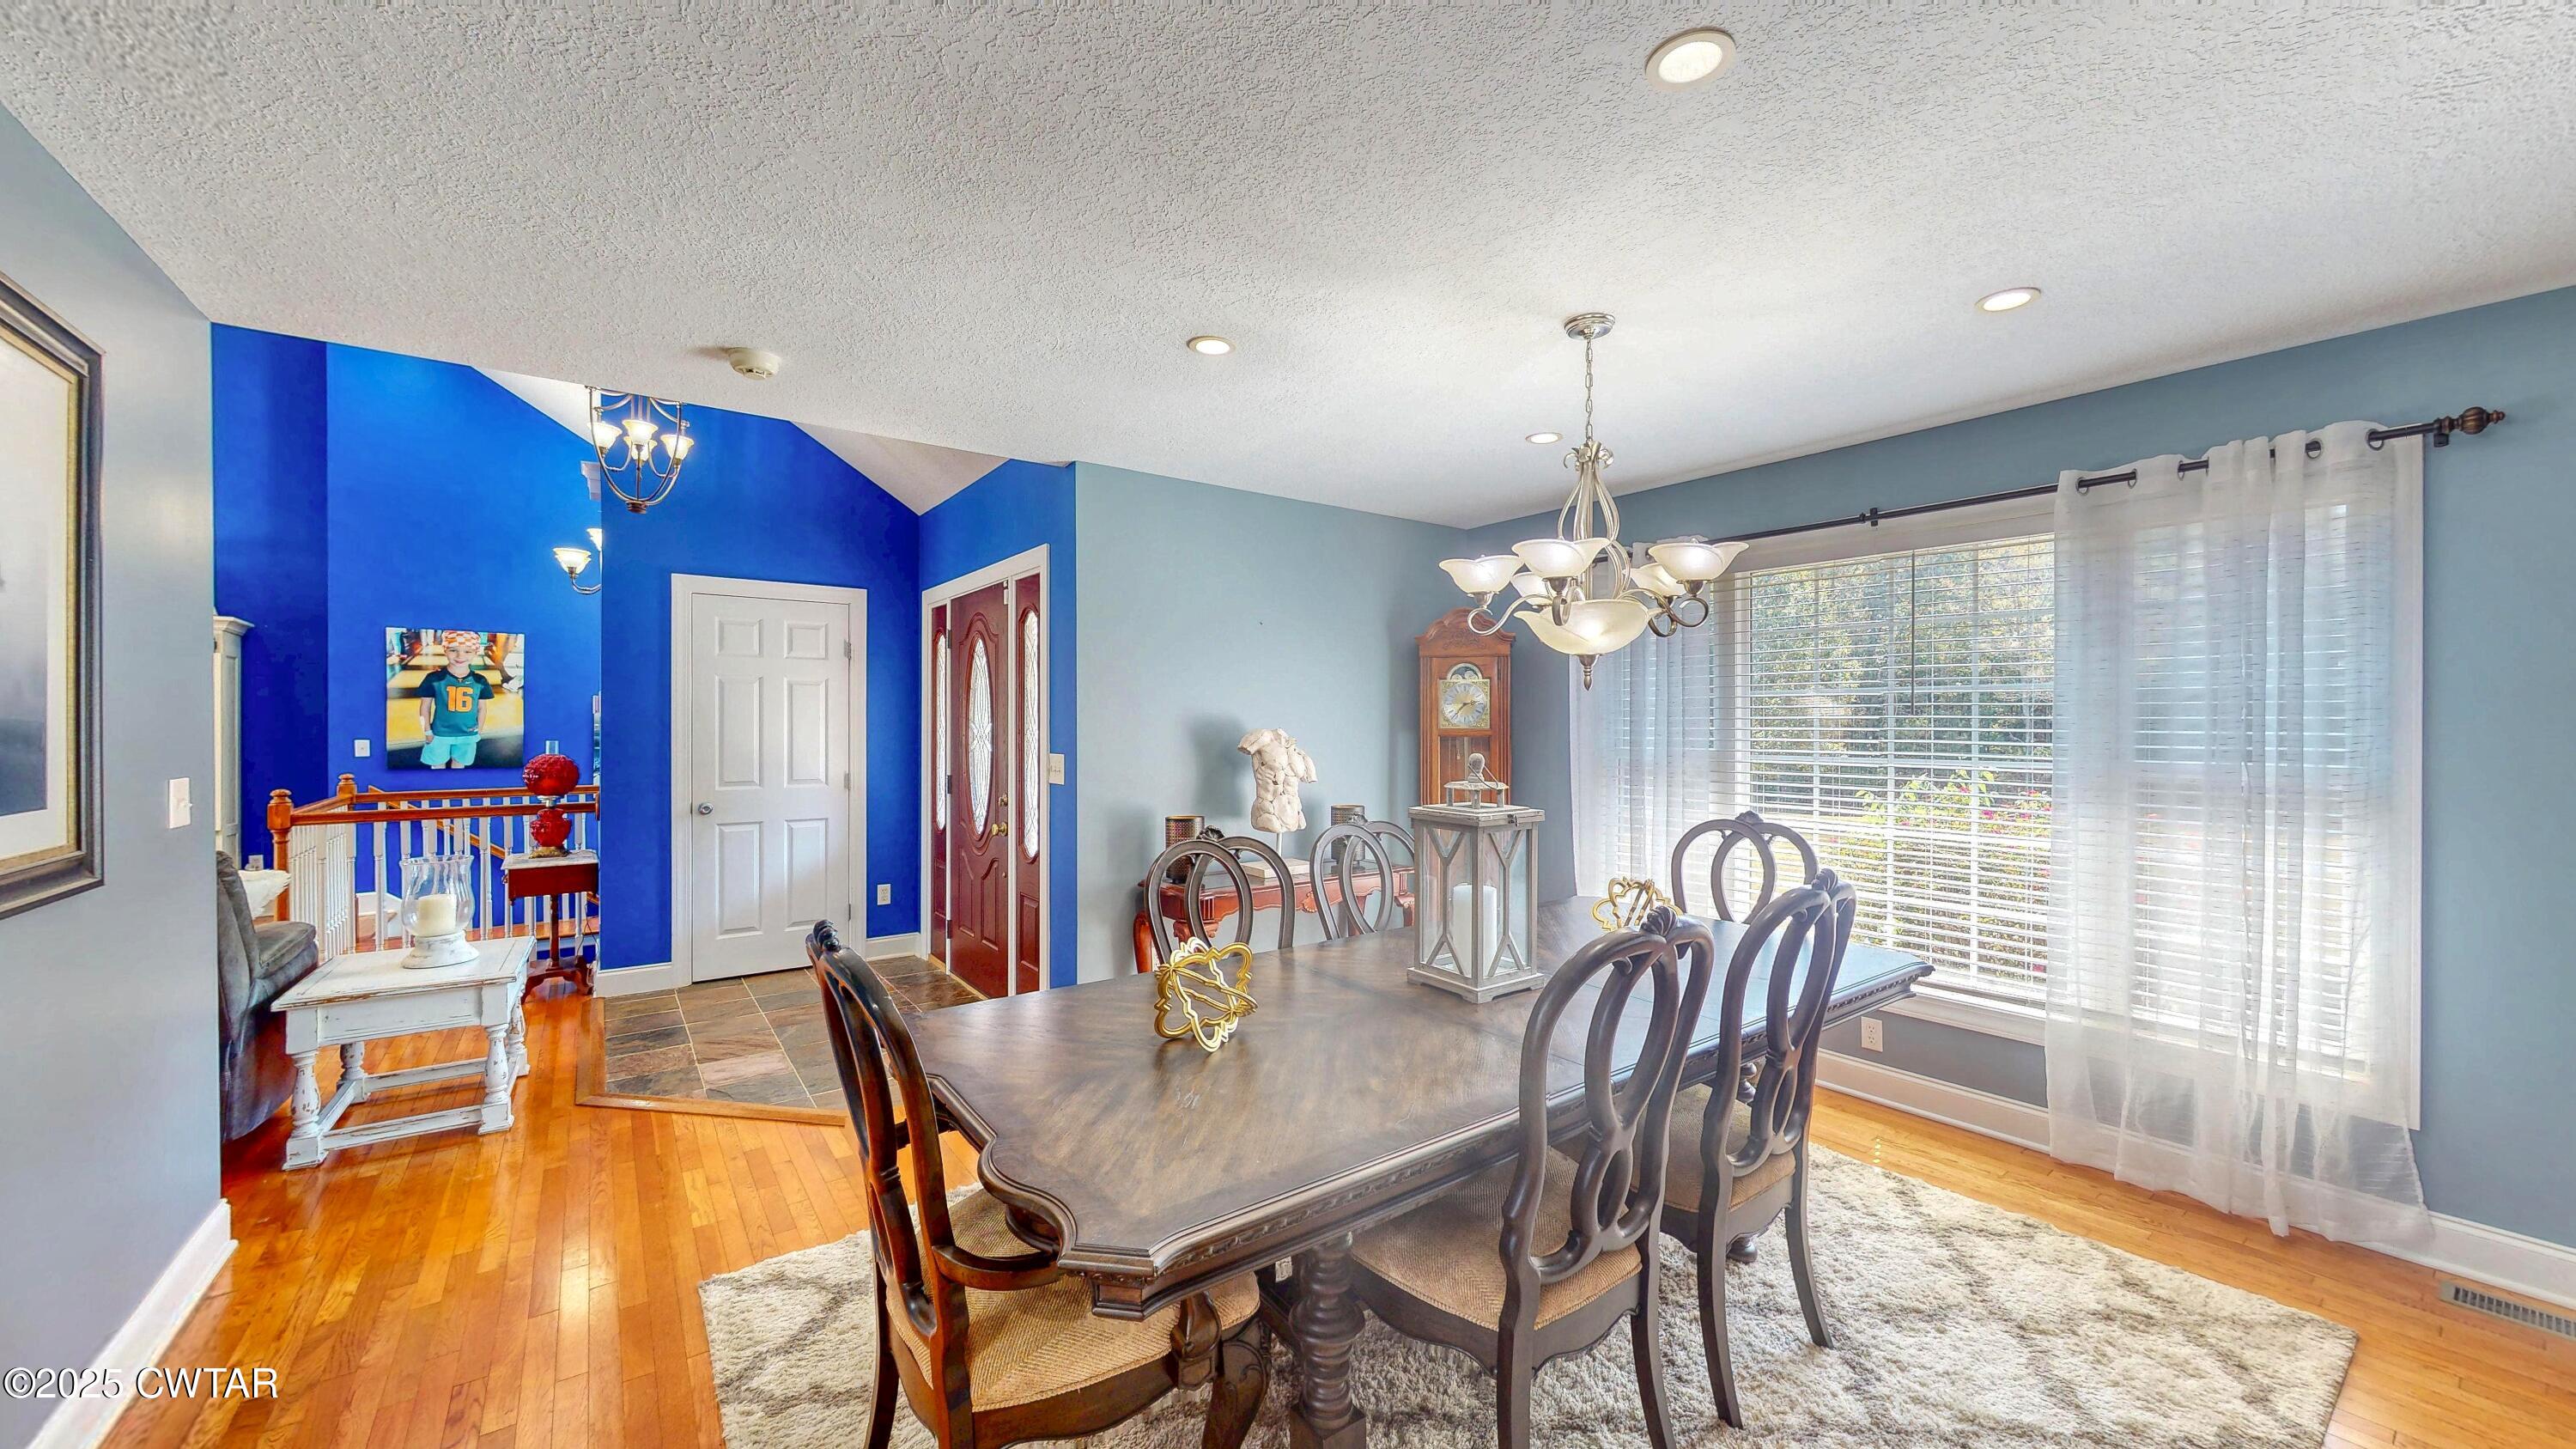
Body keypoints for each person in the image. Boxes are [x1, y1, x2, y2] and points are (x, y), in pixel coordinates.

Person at [415, 632, 495, 769]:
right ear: (444, 650)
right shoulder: (434, 678)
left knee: (459, 766)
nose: (460, 656)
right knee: (437, 766)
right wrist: (427, 731)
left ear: (476, 652)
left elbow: (482, 708)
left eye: (467, 651)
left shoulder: (480, 681)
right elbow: (424, 707)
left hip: (468, 734)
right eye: (453, 650)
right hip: (439, 734)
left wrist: (479, 730)